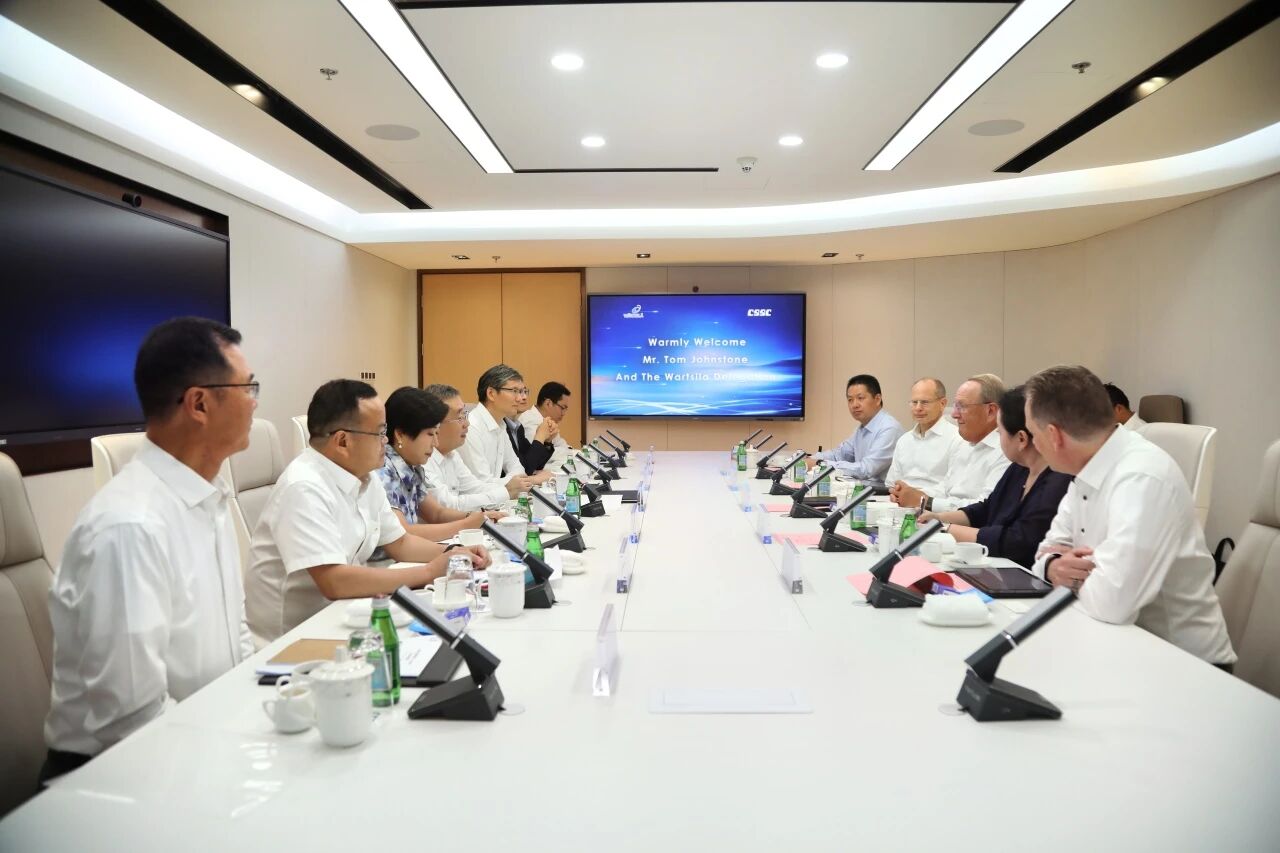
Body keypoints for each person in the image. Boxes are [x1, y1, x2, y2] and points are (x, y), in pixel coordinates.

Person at [43, 317, 258, 782]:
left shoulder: (209, 496)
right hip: (114, 777)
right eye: (248, 387)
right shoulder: (129, 526)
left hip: (204, 738)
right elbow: (132, 721)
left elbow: (235, 638)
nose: (255, 402)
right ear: (199, 403)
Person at [245, 380, 489, 642]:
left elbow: (401, 543)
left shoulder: (365, 477)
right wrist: (430, 572)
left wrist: (457, 554)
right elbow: (334, 581)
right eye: (380, 432)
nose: (386, 440)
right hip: (294, 638)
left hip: (345, 615)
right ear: (342, 441)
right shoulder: (304, 486)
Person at [1026, 365, 1235, 667]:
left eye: (1033, 434)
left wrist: (1065, 574)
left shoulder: (1141, 477)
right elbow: (1044, 554)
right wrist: (1052, 566)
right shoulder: (1086, 468)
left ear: (1053, 435)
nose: (1034, 444)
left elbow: (1112, 602)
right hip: (1114, 644)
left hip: (1183, 665)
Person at [920, 386, 1072, 568]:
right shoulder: (1019, 468)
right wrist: (939, 518)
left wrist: (945, 528)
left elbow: (1017, 541)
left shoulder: (1057, 481)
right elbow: (988, 508)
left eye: (1000, 432)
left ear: (1021, 439)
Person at [373, 387, 501, 554]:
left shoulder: (411, 466)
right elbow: (403, 533)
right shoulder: (383, 470)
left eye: (436, 433)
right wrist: (465, 525)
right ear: (400, 434)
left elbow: (436, 513)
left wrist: (477, 517)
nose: (435, 443)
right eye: (429, 434)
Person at [891, 374, 1010, 512]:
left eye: (962, 406)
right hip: (942, 518)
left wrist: (925, 502)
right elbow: (945, 489)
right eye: (955, 406)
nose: (954, 414)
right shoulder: (963, 445)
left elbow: (985, 508)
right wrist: (907, 495)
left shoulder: (1006, 452)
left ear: (990, 411)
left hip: (965, 524)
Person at [423, 383, 533, 511]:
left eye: (464, 415)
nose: (467, 423)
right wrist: (507, 491)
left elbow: (475, 487)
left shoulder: (451, 454)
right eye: (459, 417)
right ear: (435, 424)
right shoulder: (422, 461)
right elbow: (449, 505)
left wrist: (512, 488)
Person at [460, 364, 554, 483]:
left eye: (522, 391)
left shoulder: (500, 424)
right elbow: (482, 483)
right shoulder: (471, 427)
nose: (520, 398)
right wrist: (532, 480)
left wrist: (521, 481)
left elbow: (517, 468)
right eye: (514, 391)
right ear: (491, 393)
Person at [815, 374, 903, 486]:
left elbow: (866, 469)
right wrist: (808, 459)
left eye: (860, 398)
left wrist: (820, 464)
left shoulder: (889, 428)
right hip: (865, 490)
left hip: (883, 493)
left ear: (877, 399)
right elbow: (840, 454)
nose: (854, 405)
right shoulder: (861, 429)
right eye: (850, 400)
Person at [884, 377, 962, 494]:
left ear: (942, 404)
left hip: (934, 503)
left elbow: (953, 487)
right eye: (914, 402)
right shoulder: (904, 440)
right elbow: (891, 483)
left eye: (925, 402)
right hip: (900, 502)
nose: (918, 408)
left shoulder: (957, 438)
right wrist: (895, 493)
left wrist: (916, 496)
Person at [519, 381, 572, 452]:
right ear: (548, 403)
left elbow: (562, 445)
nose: (564, 413)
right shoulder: (529, 421)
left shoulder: (549, 422)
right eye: (562, 408)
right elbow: (537, 454)